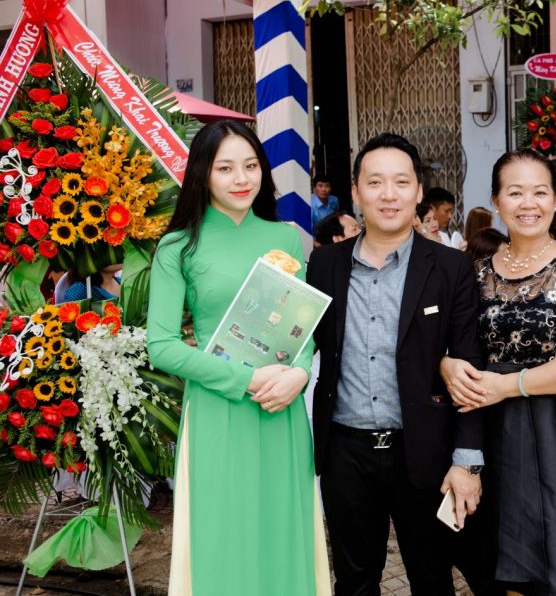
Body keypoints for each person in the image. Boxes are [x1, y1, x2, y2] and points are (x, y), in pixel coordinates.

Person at [306, 133, 493, 596]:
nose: (388, 195)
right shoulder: (323, 265)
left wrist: (467, 462)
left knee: (432, 581)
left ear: (417, 191)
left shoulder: (450, 267)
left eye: (401, 182)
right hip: (345, 451)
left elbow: (469, 363)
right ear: (356, 192)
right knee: (354, 581)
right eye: (375, 182)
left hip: (424, 449)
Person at [147, 120, 329, 594]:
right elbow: (161, 345)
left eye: (250, 166)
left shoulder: (284, 238)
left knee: (281, 530)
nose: (241, 178)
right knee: (222, 535)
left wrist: (300, 374)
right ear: (202, 174)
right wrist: (245, 380)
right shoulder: (177, 246)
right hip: (218, 408)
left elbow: (301, 325)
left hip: (281, 410)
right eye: (225, 168)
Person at [441, 148, 556, 595]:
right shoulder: (474, 273)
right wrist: (446, 362)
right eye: (515, 192)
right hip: (487, 428)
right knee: (492, 561)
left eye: (539, 192)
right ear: (496, 201)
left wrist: (509, 385)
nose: (528, 203)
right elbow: (453, 344)